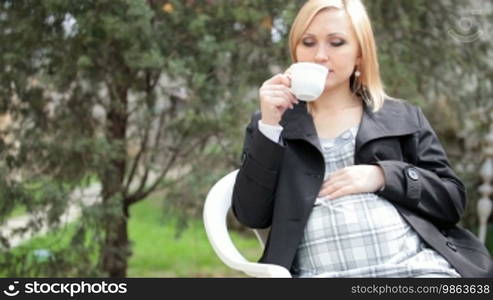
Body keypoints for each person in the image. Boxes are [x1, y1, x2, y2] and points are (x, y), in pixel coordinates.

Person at [232, 0, 493, 278]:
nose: (320, 55)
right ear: (295, 50)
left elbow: (451, 201)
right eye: (308, 42)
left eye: (337, 42)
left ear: (359, 53)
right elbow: (251, 214)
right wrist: (270, 126)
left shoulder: (401, 116)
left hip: (416, 269)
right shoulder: (273, 124)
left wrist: (384, 176)